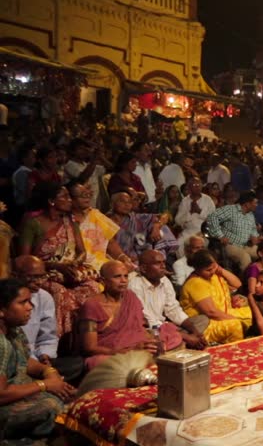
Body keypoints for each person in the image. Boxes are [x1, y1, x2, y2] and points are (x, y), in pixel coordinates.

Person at [18, 182, 102, 337]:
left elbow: (82, 251)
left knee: (93, 287)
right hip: (43, 274)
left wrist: (74, 263)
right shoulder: (33, 224)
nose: (70, 200)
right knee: (59, 292)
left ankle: (87, 337)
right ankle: (59, 340)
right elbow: (25, 260)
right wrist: (56, 266)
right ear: (51, 201)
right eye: (65, 197)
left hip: (70, 272)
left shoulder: (70, 222)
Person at [0, 278, 75, 441]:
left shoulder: (14, 330)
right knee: (53, 407)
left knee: (71, 397)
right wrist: (45, 384)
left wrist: (49, 372)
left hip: (19, 389)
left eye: (30, 301)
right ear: (1, 309)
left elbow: (24, 360)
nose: (30, 307)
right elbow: (1, 394)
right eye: (23, 302)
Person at [79, 261, 158, 370]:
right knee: (97, 362)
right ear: (103, 281)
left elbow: (139, 328)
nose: (123, 281)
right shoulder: (92, 305)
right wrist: (124, 351)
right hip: (112, 354)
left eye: (126, 276)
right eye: (117, 277)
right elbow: (89, 347)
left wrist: (150, 342)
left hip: (138, 348)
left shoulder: (130, 297)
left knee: (169, 334)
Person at [129, 251, 206, 350]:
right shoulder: (134, 286)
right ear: (144, 268)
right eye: (158, 263)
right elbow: (148, 321)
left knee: (202, 320)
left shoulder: (164, 280)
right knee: (157, 336)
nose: (163, 266)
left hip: (165, 327)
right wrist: (184, 335)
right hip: (148, 330)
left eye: (163, 262)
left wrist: (195, 332)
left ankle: (186, 340)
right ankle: (182, 340)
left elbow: (173, 309)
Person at [179, 250, 251, 344]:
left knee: (251, 312)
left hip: (221, 314)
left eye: (214, 267)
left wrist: (221, 270)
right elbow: (211, 312)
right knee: (234, 324)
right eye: (208, 270)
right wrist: (234, 319)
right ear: (197, 269)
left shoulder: (214, 276)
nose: (213, 271)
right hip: (205, 324)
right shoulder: (195, 283)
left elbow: (237, 284)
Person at [204, 191, 260, 272]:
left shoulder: (250, 215)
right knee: (245, 258)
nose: (257, 205)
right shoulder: (230, 210)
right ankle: (243, 282)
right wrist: (220, 235)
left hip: (246, 245)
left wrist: (254, 236)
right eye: (255, 203)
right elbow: (212, 217)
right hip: (230, 245)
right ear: (247, 204)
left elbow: (253, 229)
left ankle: (262, 278)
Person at [174, 176, 216, 252]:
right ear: (189, 188)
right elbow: (177, 220)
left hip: (203, 232)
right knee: (178, 246)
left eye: (199, 185)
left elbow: (214, 218)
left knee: (196, 247)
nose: (197, 187)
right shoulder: (185, 201)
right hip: (188, 231)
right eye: (194, 185)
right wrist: (189, 213)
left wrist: (199, 211)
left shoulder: (208, 200)